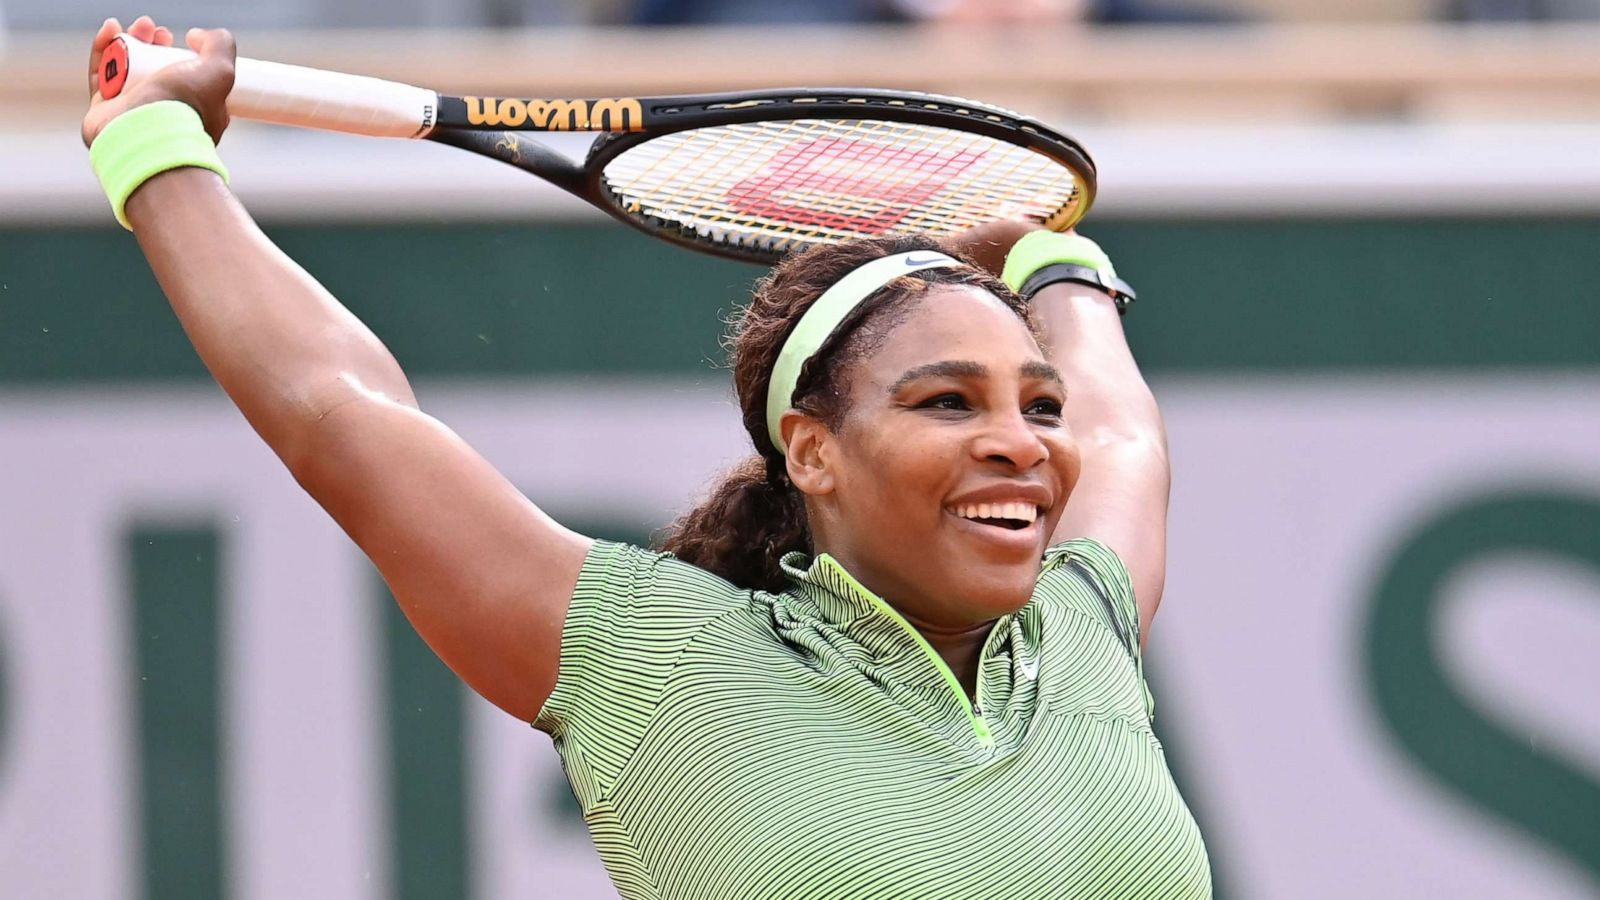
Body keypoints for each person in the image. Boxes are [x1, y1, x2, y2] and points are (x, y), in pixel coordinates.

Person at [83, 16, 1211, 898]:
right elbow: (341, 414)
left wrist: (1059, 265)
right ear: (811, 452)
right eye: (948, 402)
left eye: (1035, 404)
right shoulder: (656, 656)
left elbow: (1116, 431)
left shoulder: (1084, 624)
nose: (1017, 444)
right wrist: (158, 149)